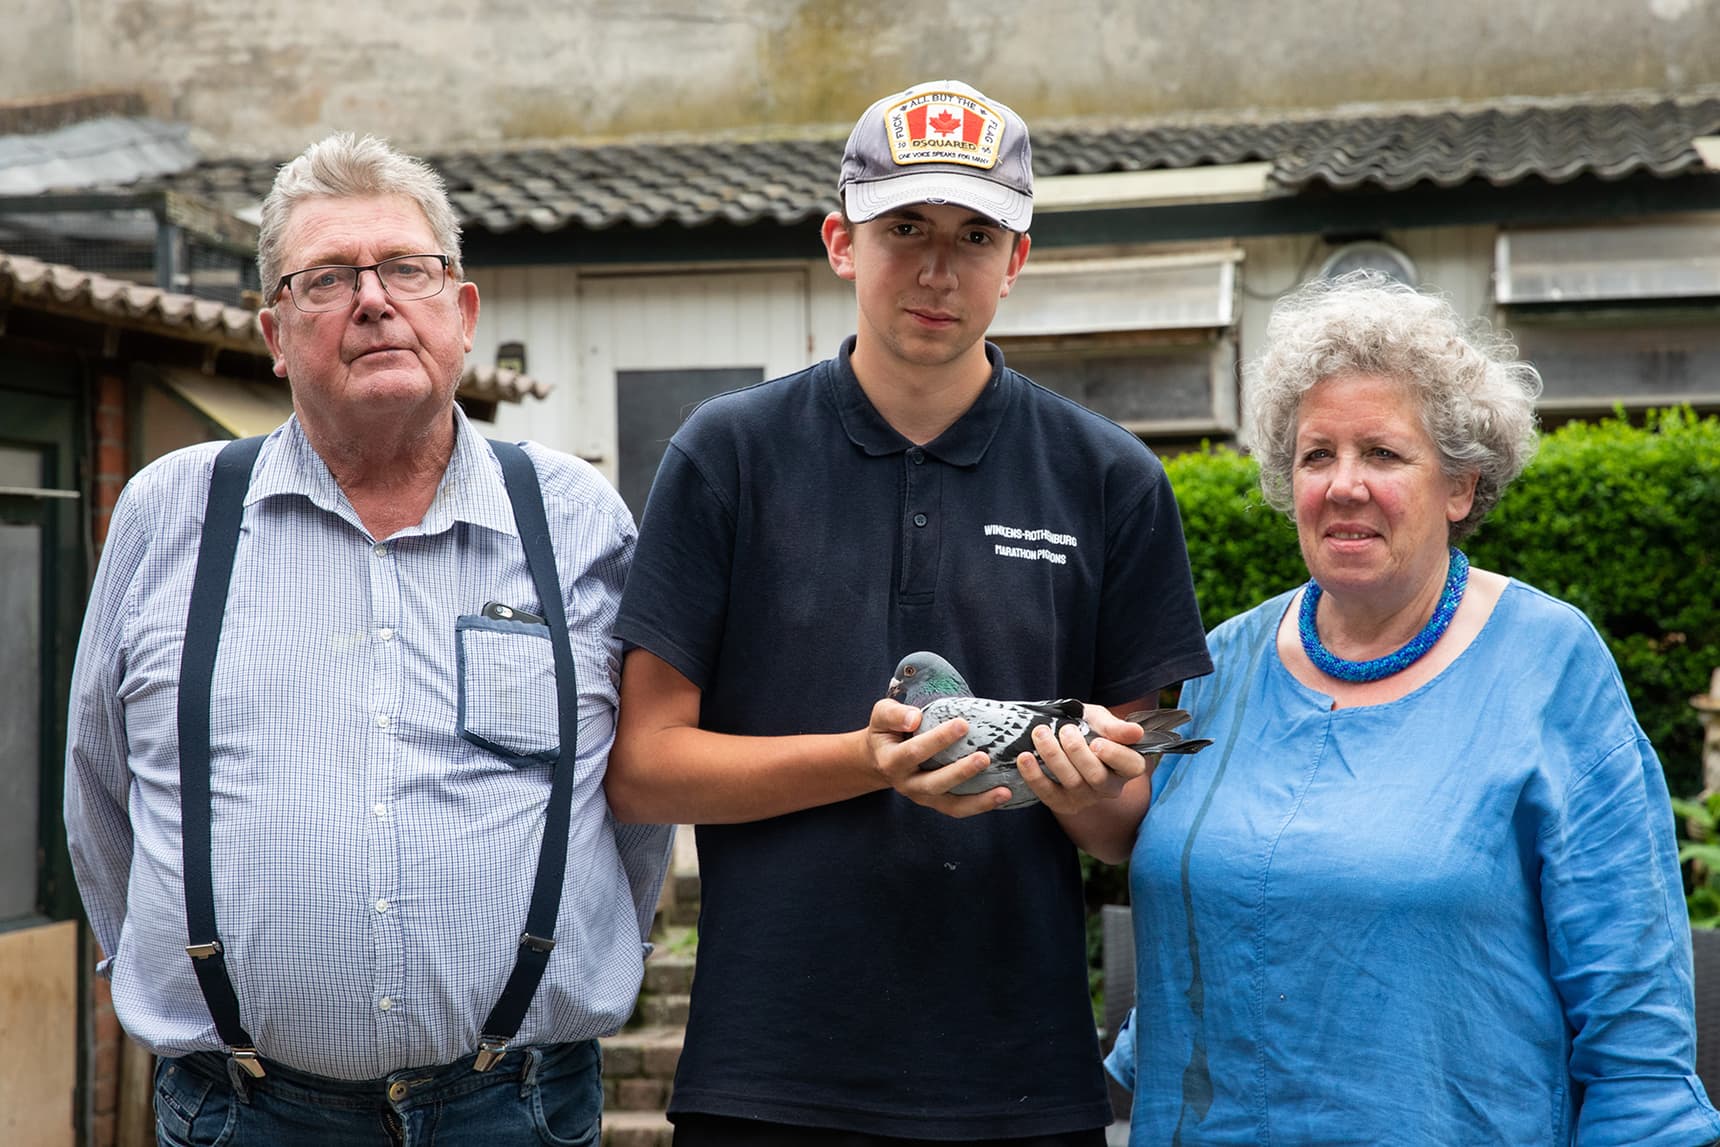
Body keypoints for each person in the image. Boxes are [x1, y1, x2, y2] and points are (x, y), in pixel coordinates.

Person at [606, 80, 1213, 1145]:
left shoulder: (1111, 479)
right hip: (767, 1076)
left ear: (1016, 260)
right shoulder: (728, 455)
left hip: (1020, 1082)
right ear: (841, 242)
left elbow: (1128, 824)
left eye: (976, 235)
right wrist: (866, 761)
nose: (939, 269)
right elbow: (645, 767)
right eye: (905, 229)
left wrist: (1076, 787)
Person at [63, 133, 673, 1145]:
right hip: (242, 1112)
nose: (374, 300)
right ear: (274, 332)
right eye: (328, 278)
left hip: (517, 1106)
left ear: (462, 312)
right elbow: (99, 787)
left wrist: (582, 953)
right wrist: (179, 970)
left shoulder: (574, 516)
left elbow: (632, 799)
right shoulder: (171, 511)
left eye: (406, 268)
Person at [1108, 273, 1720, 1144]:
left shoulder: (1548, 663)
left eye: (1383, 454)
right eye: (1317, 455)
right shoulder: (1226, 660)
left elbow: (1635, 1034)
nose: (1343, 484)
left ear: (1460, 486)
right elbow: (1204, 914)